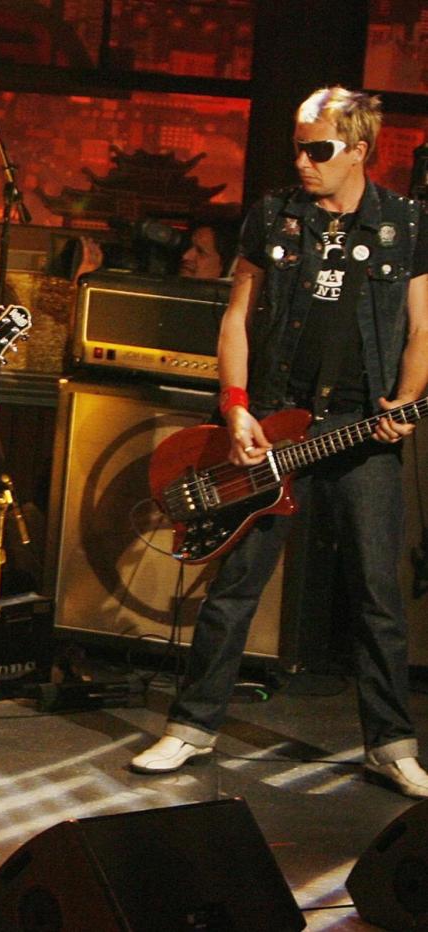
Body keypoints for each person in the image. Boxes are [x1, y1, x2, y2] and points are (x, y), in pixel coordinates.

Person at [131, 87, 428, 798]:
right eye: (298, 146)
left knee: (377, 597)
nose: (303, 161)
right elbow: (236, 318)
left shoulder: (405, 224)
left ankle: (390, 743)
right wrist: (236, 410)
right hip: (275, 425)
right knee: (235, 588)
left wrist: (407, 403)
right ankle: (192, 726)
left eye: (318, 149)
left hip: (360, 432)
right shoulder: (275, 217)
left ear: (359, 150)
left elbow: (423, 328)